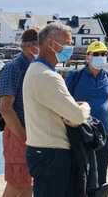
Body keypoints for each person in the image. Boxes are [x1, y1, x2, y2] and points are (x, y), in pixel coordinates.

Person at [23, 23, 91, 197]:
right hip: (51, 154)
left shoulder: (37, 70)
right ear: (51, 44)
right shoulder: (46, 76)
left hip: (43, 151)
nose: (70, 48)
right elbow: (76, 116)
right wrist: (85, 107)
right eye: (67, 43)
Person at [65, 41, 108, 187]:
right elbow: (64, 104)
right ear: (87, 57)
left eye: (103, 54)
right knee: (81, 176)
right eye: (96, 54)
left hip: (104, 134)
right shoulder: (75, 76)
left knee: (101, 175)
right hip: (81, 134)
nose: (100, 57)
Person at [0, 28, 39, 197]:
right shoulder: (14, 68)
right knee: (18, 183)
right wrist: (25, 138)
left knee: (26, 184)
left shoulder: (32, 67)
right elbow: (5, 108)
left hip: (28, 133)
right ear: (31, 46)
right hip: (18, 133)